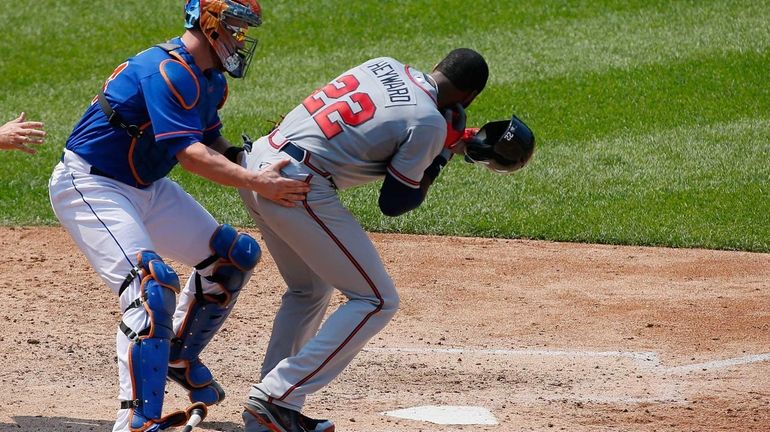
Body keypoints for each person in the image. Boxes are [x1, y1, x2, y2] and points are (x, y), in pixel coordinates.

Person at [48, 1, 309, 431]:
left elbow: (209, 139)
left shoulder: (208, 79)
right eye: (235, 28)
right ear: (209, 24)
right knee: (150, 287)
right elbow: (190, 156)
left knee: (233, 256)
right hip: (92, 183)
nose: (239, 40)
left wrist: (255, 161)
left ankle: (177, 355)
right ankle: (136, 420)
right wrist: (255, 181)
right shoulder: (166, 71)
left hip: (146, 187)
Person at [238, 48, 494, 432]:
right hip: (295, 187)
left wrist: (440, 139)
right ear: (469, 98)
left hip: (257, 164)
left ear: (438, 65)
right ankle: (275, 396)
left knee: (309, 289)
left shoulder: (385, 65)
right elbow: (395, 202)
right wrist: (441, 153)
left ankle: (273, 409)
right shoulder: (427, 122)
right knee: (377, 300)